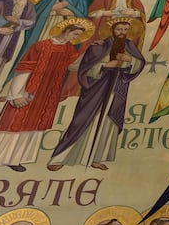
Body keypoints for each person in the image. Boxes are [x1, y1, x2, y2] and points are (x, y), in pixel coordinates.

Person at [0, 19, 92, 173]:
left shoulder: (69, 49)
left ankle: (14, 159)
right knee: (10, 124)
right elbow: (23, 68)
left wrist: (89, 52)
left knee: (33, 126)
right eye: (74, 33)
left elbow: (73, 66)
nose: (74, 37)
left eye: (78, 35)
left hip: (47, 95)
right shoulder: (41, 46)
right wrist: (16, 95)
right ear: (65, 30)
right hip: (29, 90)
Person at [48, 16, 146, 171]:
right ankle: (60, 157)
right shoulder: (97, 47)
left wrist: (129, 60)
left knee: (109, 123)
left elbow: (139, 63)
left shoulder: (129, 46)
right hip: (96, 89)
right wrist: (106, 65)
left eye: (125, 30)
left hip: (117, 88)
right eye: (119, 29)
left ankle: (96, 158)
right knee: (82, 120)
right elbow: (84, 69)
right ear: (112, 30)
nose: (122, 33)